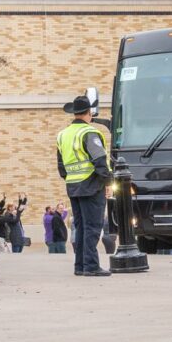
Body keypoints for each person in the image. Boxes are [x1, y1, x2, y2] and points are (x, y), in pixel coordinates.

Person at [56, 96, 113, 277]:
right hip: (91, 184)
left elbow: (61, 165)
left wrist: (71, 178)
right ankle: (91, 266)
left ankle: (79, 265)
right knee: (93, 227)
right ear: (89, 113)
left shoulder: (63, 134)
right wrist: (108, 182)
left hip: (73, 185)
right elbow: (100, 160)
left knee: (80, 226)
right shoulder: (89, 133)